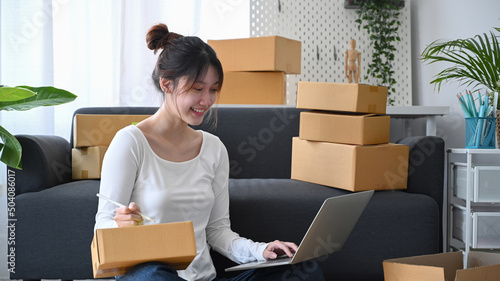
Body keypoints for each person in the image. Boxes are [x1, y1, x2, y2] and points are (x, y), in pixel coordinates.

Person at [94, 23, 325, 281]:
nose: (207, 100)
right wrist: (119, 225)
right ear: (166, 84)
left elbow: (217, 232)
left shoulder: (213, 148)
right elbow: (101, 226)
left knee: (304, 270)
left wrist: (261, 251)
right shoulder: (130, 143)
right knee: (152, 275)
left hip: (204, 278)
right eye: (197, 88)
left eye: (213, 89)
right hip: (154, 276)